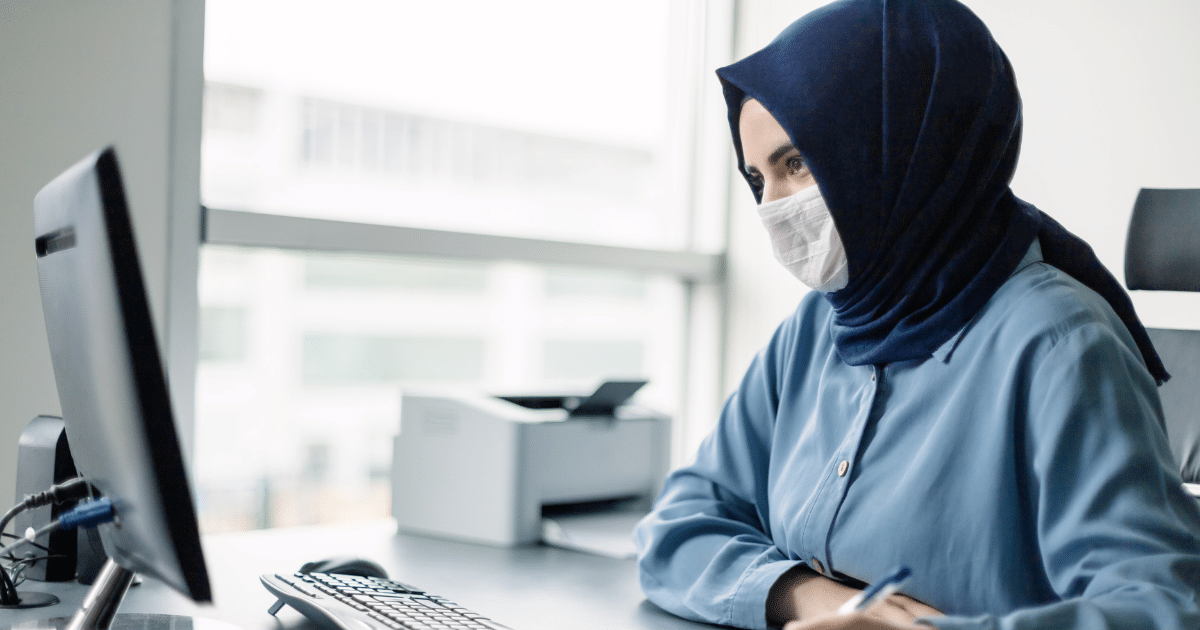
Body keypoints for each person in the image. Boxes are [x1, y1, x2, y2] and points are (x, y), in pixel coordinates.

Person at [632, 1, 1200, 629]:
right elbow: (677, 526)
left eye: (796, 163)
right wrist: (807, 596)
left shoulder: (1061, 342)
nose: (774, 208)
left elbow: (1162, 605)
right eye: (756, 177)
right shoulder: (817, 328)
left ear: (904, 141)